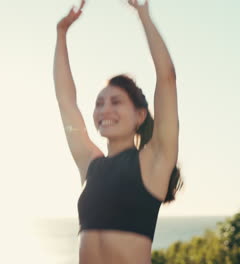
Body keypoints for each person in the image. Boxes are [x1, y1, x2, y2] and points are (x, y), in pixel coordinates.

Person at [53, 0, 183, 263]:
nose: (105, 110)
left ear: (140, 115)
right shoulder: (90, 164)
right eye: (99, 103)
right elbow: (66, 100)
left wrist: (144, 16)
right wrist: (61, 34)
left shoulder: (154, 159)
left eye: (116, 102)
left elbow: (166, 77)